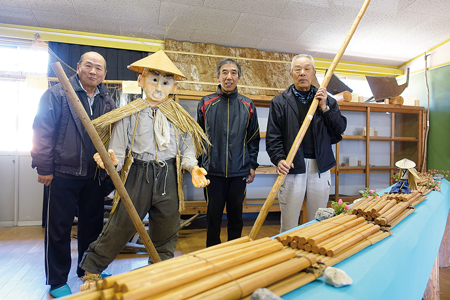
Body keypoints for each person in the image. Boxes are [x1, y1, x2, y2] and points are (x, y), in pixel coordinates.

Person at [79, 50, 210, 289]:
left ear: (173, 86)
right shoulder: (129, 114)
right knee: (122, 222)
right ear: (141, 81)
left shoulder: (180, 117)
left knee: (168, 225)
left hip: (169, 175)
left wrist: (193, 168)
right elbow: (117, 152)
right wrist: (109, 160)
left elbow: (186, 149)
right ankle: (92, 268)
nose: (159, 87)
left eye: (166, 82)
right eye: (154, 79)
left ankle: (160, 270)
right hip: (139, 173)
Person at [31, 51, 116, 298]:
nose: (93, 71)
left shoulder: (107, 100)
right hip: (63, 174)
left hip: (94, 176)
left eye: (99, 68)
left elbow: (111, 138)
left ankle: (87, 269)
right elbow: (42, 131)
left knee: (92, 227)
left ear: (105, 74)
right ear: (78, 67)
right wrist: (44, 167)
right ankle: (57, 280)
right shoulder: (57, 94)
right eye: (88, 66)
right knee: (59, 229)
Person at [266, 54, 347, 233]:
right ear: (291, 73)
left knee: (318, 221)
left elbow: (339, 128)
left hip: (320, 166)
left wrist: (325, 108)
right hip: (293, 165)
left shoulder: (327, 100)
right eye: (298, 69)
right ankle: (288, 257)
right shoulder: (280, 102)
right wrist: (279, 159)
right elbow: (273, 137)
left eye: (307, 69)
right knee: (289, 223)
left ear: (314, 73)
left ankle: (315, 256)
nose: (302, 73)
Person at [197, 58, 260, 247]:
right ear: (218, 76)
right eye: (224, 72)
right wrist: (199, 165)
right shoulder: (206, 103)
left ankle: (234, 252)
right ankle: (212, 254)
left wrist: (252, 165)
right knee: (213, 218)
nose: (229, 77)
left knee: (236, 217)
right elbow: (198, 138)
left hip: (238, 171)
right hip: (212, 172)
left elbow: (253, 138)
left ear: (239, 78)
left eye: (233, 73)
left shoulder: (248, 105)